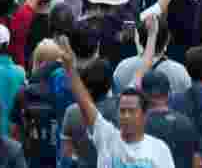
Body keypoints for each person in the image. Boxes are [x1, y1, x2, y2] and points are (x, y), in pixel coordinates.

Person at [55, 35, 175, 168]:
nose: (126, 115)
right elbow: (84, 103)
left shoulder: (159, 149)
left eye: (131, 111)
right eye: (123, 111)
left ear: (144, 114)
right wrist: (70, 69)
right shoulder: (107, 137)